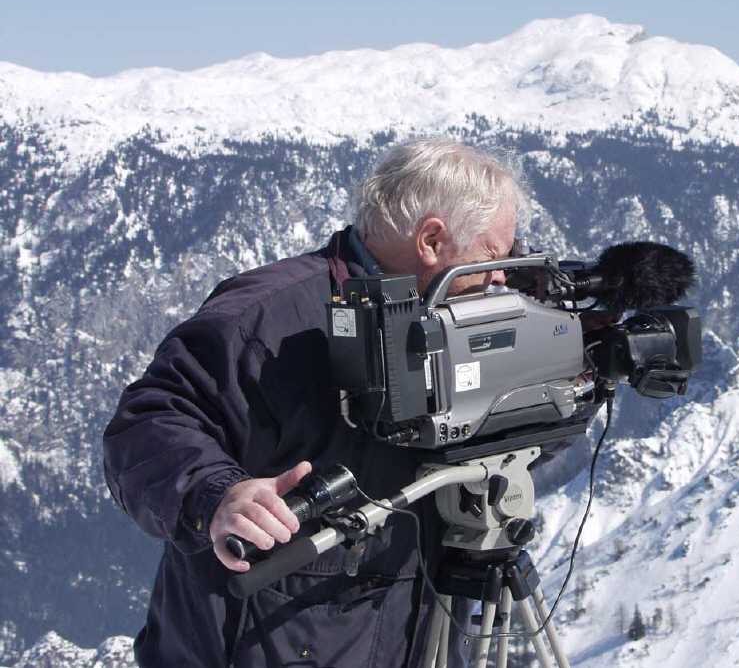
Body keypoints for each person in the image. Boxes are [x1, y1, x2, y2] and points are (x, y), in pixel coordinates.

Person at [103, 138, 525, 667]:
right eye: (493, 255)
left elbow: (508, 446)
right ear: (432, 240)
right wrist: (218, 496)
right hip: (258, 643)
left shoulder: (461, 317)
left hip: (409, 633)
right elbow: (147, 424)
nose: (503, 276)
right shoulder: (273, 321)